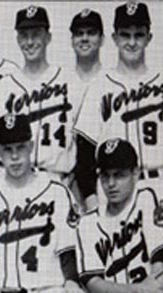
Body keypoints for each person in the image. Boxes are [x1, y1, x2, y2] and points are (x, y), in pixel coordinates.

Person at [0, 114, 98, 293]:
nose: (15, 156)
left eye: (20, 147)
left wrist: (71, 282)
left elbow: (69, 247)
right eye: (8, 149)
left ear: (31, 146)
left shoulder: (57, 191)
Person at [75, 1, 163, 208]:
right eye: (125, 35)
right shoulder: (99, 86)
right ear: (114, 38)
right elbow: (85, 153)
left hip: (159, 183)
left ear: (149, 38)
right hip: (113, 192)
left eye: (139, 35)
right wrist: (91, 200)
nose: (132, 42)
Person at [76, 138, 163, 293]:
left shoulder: (148, 199)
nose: (111, 184)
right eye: (105, 176)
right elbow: (94, 285)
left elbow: (160, 265)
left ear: (136, 173)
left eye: (119, 175)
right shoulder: (88, 223)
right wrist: (139, 291)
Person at [0, 5, 78, 185]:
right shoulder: (2, 87)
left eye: (36, 34)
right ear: (17, 39)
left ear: (48, 37)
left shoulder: (71, 82)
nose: (30, 42)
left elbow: (83, 145)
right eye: (24, 35)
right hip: (12, 181)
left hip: (57, 179)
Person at [68, 8, 105, 212]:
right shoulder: (61, 83)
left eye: (91, 33)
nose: (84, 38)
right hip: (68, 178)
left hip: (103, 179)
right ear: (72, 39)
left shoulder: (111, 80)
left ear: (102, 39)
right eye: (79, 33)